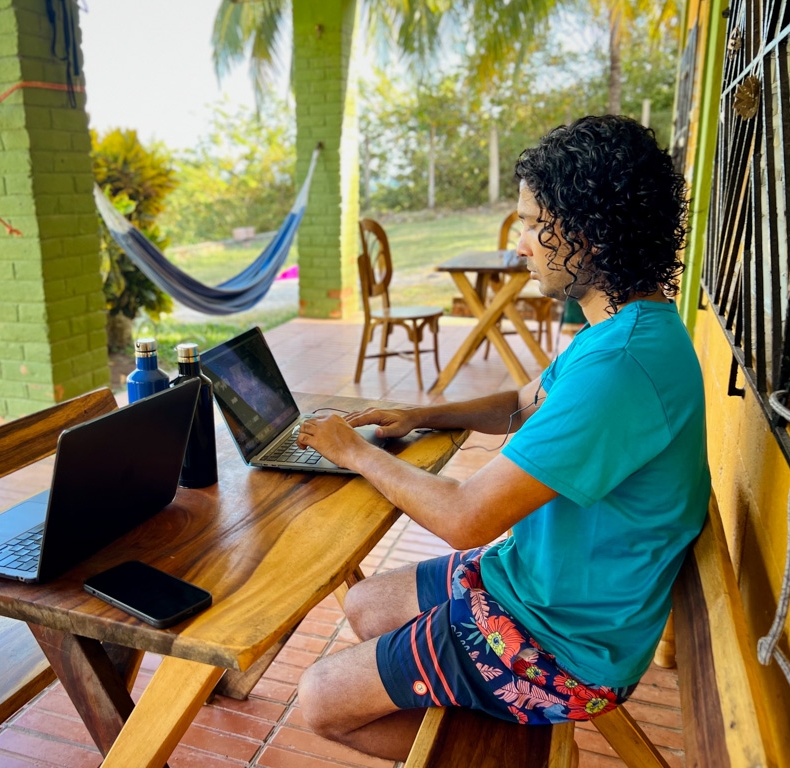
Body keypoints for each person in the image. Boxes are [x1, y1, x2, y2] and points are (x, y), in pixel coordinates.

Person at [294, 115, 710, 761]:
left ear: (587, 233)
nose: (521, 245)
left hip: (567, 643)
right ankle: (467, 706)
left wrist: (353, 451)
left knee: (321, 697)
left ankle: (492, 753)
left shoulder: (622, 367)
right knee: (369, 603)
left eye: (530, 223)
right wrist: (423, 415)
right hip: (537, 583)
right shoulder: (621, 330)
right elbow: (523, 402)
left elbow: (465, 518)